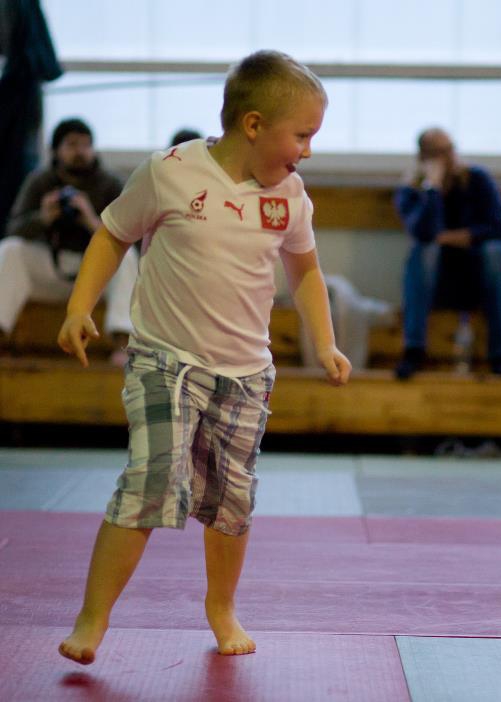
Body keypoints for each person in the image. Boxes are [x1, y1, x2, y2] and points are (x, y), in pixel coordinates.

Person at [55, 50, 351, 664]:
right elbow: (113, 234)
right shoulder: (169, 172)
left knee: (231, 502)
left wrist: (324, 341)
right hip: (166, 359)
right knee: (153, 478)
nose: (308, 151)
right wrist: (80, 305)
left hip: (245, 374)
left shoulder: (290, 196)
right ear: (252, 125)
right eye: (302, 135)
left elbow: (307, 272)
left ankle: (221, 606)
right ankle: (93, 616)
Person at [0, 118, 136, 361]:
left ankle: (121, 343)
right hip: (49, 270)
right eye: (72, 145)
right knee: (10, 249)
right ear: (56, 150)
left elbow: (132, 236)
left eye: (86, 145)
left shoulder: (110, 183)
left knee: (126, 257)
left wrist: (91, 220)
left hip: (95, 274)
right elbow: (12, 228)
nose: (80, 152)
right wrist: (42, 218)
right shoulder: (40, 181)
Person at [393, 127, 501, 378]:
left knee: (497, 252)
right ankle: (413, 350)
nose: (448, 157)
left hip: (476, 275)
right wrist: (432, 188)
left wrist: (452, 237)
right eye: (438, 153)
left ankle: (500, 353)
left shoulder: (477, 179)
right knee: (423, 250)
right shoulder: (411, 189)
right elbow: (424, 232)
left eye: (450, 149)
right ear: (423, 157)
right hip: (435, 281)